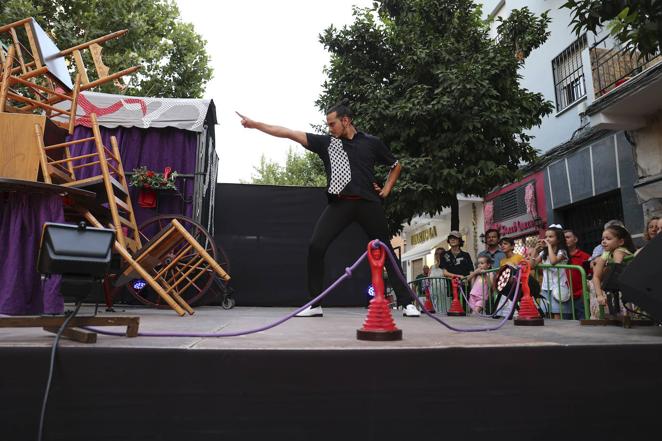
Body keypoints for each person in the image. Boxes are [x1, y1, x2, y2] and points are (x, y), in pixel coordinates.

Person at [237, 100, 420, 317]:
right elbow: (288, 133)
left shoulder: (371, 143)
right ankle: (314, 304)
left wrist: (387, 188)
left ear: (346, 120)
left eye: (332, 124)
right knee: (316, 246)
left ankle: (407, 303)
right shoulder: (326, 143)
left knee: (386, 249)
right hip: (341, 204)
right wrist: (255, 124)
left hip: (368, 203)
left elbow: (396, 164)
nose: (329, 128)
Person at [592, 224, 636, 315]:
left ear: (620, 242)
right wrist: (599, 295)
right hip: (617, 291)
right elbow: (596, 276)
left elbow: (616, 272)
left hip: (627, 291)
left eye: (608, 239)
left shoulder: (619, 251)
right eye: (603, 239)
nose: (603, 242)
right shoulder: (606, 253)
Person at [532, 226, 570, 319]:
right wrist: (535, 251)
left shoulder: (562, 251)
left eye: (550, 237)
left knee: (557, 314)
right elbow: (532, 265)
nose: (547, 239)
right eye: (546, 236)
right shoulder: (543, 253)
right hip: (545, 288)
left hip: (559, 287)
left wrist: (548, 246)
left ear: (558, 239)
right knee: (546, 314)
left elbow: (553, 261)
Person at [564, 229, 591, 319]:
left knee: (583, 321)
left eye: (568, 237)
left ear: (575, 239)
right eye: (563, 238)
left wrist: (585, 292)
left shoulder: (585, 257)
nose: (565, 240)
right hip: (564, 296)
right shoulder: (559, 257)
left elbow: (590, 276)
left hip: (580, 296)